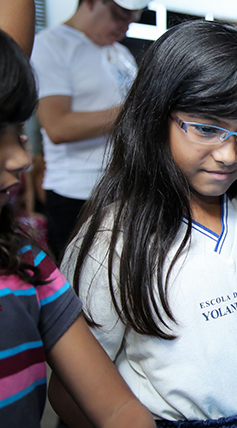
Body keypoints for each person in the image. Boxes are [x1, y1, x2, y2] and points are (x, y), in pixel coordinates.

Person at [51, 21, 237, 428]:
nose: (228, 154)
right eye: (206, 128)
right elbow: (69, 394)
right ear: (155, 117)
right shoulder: (113, 242)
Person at [0, 29, 157, 428]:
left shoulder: (29, 266)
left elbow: (120, 410)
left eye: (17, 131)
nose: (19, 158)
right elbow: (60, 125)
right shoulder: (59, 45)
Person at [30, 0, 148, 262]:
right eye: (119, 17)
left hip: (121, 188)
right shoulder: (51, 45)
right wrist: (134, 110)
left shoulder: (121, 54)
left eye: (131, 21)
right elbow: (58, 126)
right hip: (76, 195)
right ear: (92, 2)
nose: (125, 28)